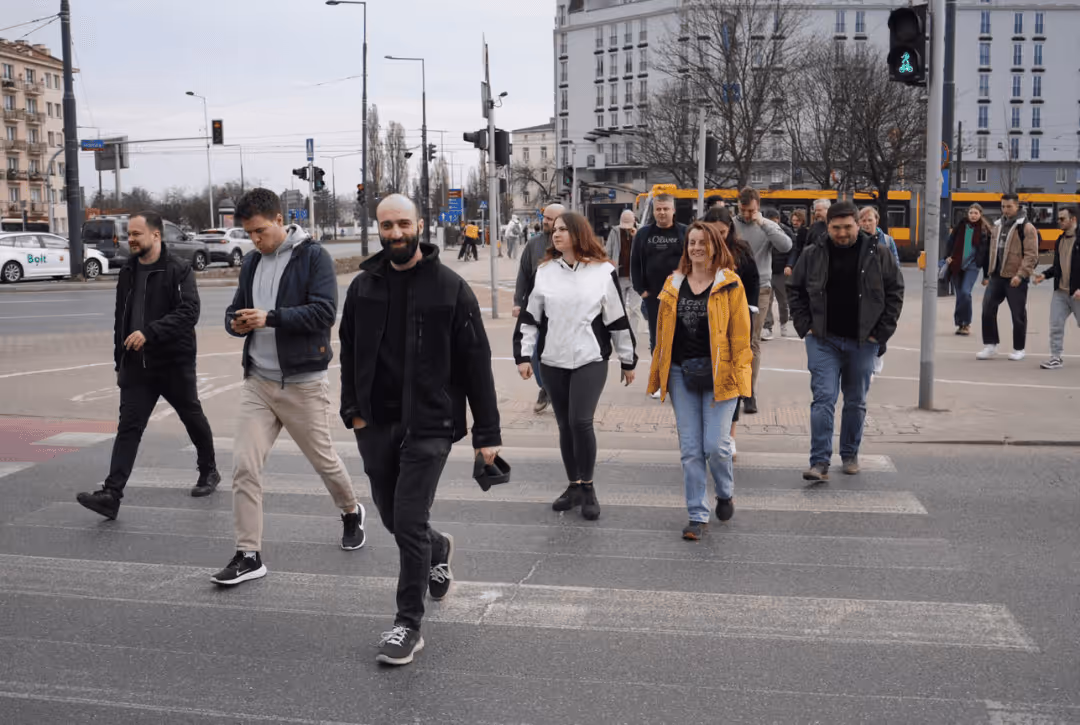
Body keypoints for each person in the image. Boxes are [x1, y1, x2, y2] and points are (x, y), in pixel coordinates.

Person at [340, 194, 501, 667]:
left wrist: (487, 433)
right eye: (387, 225)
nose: (395, 233)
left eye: (403, 224)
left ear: (420, 225)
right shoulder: (362, 288)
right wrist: (354, 413)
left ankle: (407, 624)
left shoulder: (450, 288)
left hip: (431, 423)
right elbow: (348, 351)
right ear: (379, 228)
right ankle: (438, 547)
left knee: (408, 520)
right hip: (375, 423)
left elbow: (477, 363)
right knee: (394, 520)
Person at [213, 188, 364, 587]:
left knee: (324, 461)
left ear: (279, 219)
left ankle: (351, 511)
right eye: (249, 233)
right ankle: (249, 554)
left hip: (303, 384)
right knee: (244, 466)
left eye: (260, 231)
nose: (255, 240)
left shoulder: (313, 257)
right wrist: (236, 323)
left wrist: (271, 318)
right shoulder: (251, 262)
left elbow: (324, 312)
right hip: (258, 383)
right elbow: (234, 309)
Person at [76, 211, 220, 520]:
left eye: (136, 234)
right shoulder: (128, 271)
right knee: (129, 428)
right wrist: (119, 361)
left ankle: (209, 470)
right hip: (136, 366)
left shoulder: (178, 269)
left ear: (155, 235)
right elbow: (121, 320)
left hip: (173, 363)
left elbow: (189, 312)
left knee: (191, 416)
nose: (130, 239)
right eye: (129, 234)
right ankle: (112, 494)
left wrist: (150, 333)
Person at [514, 211, 637, 521]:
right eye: (554, 229)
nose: (556, 234)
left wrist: (627, 359)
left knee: (580, 421)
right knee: (564, 425)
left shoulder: (603, 271)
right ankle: (573, 486)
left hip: (590, 358)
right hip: (552, 360)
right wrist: (524, 355)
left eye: (563, 230)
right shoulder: (544, 271)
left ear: (578, 234)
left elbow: (617, 319)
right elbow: (530, 317)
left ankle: (588, 487)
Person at [648, 221, 752, 540]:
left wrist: (742, 380)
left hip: (722, 374)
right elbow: (662, 333)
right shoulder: (673, 283)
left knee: (716, 446)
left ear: (715, 247)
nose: (696, 248)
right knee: (691, 449)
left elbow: (741, 337)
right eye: (691, 242)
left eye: (702, 243)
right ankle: (697, 514)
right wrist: (658, 371)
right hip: (680, 373)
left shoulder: (730, 284)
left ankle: (725, 492)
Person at [788, 201, 904, 482]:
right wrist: (806, 326)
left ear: (858, 224)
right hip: (823, 340)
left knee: (855, 401)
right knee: (823, 399)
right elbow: (795, 290)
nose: (842, 233)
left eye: (847, 227)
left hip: (864, 341)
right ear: (827, 227)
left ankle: (850, 454)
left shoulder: (879, 253)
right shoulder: (813, 253)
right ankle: (819, 462)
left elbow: (895, 293)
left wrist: (880, 334)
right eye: (836, 228)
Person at [703, 206, 758, 461]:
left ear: (730, 230)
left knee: (732, 378)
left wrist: (750, 312)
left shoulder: (741, 250)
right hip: (706, 323)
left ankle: (730, 436)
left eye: (722, 232)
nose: (718, 237)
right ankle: (709, 433)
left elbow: (753, 281)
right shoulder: (698, 248)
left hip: (736, 321)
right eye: (713, 232)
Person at [733, 187, 792, 415]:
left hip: (761, 288)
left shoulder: (766, 225)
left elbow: (786, 245)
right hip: (732, 286)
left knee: (752, 341)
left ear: (758, 207)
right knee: (730, 339)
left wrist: (764, 224)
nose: (747, 215)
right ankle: (732, 386)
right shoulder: (732, 225)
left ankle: (749, 391)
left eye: (751, 210)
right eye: (743, 210)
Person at [513, 203, 566, 413]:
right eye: (545, 217)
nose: (545, 221)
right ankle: (545, 388)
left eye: (550, 219)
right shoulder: (534, 244)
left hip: (563, 312)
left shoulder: (571, 243)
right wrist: (518, 302)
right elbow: (523, 274)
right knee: (535, 354)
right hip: (537, 311)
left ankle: (558, 391)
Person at [977, 193, 1039, 361]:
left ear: (1017, 206)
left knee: (1018, 314)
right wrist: (989, 272)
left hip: (1015, 278)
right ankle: (990, 345)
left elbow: (1031, 255)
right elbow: (992, 251)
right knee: (987, 309)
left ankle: (1019, 348)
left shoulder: (1026, 227)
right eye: (1003, 206)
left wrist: (1021, 275)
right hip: (996, 275)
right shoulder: (997, 225)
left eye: (1009, 206)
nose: (1005, 210)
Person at [631, 193, 687, 357]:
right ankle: (659, 370)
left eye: (666, 209)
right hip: (653, 296)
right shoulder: (643, 234)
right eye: (658, 209)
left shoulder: (685, 232)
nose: (662, 212)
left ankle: (677, 370)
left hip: (681, 295)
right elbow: (635, 262)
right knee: (657, 339)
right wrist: (640, 290)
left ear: (673, 210)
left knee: (681, 337)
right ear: (654, 211)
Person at [857, 206, 901, 377]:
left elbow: (895, 265)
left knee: (880, 325)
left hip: (880, 291)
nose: (866, 223)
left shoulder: (887, 241)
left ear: (877, 220)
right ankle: (866, 364)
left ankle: (877, 356)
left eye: (870, 220)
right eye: (863, 220)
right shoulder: (855, 240)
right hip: (862, 291)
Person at [1034, 206, 1080, 369]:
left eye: (1062, 219)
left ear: (1073, 219)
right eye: (1058, 218)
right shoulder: (1060, 240)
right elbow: (1057, 266)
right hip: (1060, 292)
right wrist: (1044, 275)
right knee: (1056, 325)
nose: (1058, 221)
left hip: (1077, 293)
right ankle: (1055, 357)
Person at [944, 203, 992, 336]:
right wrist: (947, 257)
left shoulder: (984, 231)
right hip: (956, 264)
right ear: (968, 214)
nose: (973, 215)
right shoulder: (961, 226)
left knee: (965, 292)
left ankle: (966, 323)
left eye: (976, 213)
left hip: (973, 266)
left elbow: (986, 255)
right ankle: (960, 324)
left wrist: (986, 275)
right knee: (960, 295)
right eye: (971, 213)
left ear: (980, 214)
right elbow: (950, 243)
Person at [605, 209, 645, 339]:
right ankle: (621, 335)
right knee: (618, 308)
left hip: (636, 277)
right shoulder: (615, 232)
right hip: (619, 275)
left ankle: (632, 336)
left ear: (634, 221)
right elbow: (607, 252)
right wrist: (610, 265)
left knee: (635, 309)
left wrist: (636, 236)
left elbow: (647, 251)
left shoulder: (642, 231)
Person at [762, 207, 795, 341]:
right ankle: (768, 326)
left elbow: (793, 249)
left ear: (778, 219)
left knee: (783, 300)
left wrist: (789, 265)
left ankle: (783, 322)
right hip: (767, 270)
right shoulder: (762, 230)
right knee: (767, 301)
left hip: (782, 271)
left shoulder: (786, 231)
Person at [787, 199, 829, 274]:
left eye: (819, 210)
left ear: (828, 210)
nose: (817, 213)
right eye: (815, 211)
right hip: (814, 268)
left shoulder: (835, 226)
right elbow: (805, 247)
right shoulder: (814, 227)